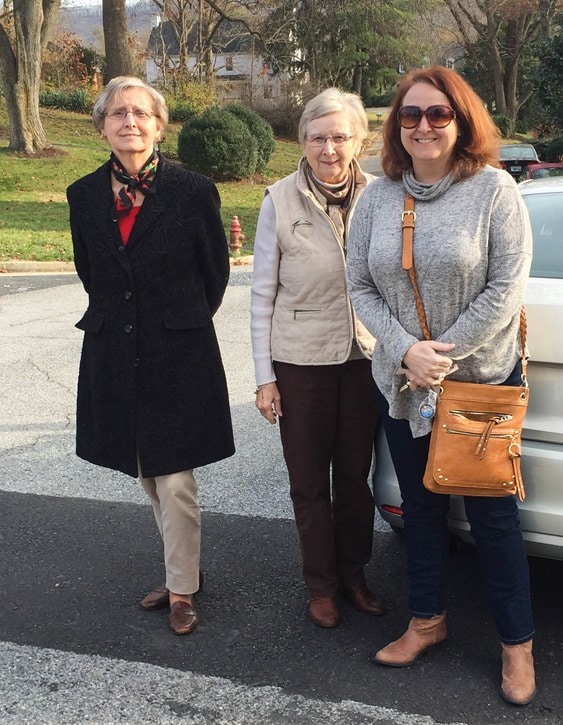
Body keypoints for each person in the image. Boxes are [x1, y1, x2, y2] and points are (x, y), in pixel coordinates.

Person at [346, 66, 535, 705]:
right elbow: (361, 286)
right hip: (401, 384)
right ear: (396, 124)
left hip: (475, 387)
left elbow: (506, 288)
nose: (423, 126)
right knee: (422, 514)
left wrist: (440, 357)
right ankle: (426, 621)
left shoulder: (494, 192)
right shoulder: (377, 197)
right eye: (410, 114)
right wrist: (405, 353)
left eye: (438, 114)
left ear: (462, 120)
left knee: (493, 520)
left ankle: (517, 645)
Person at [67, 76, 235, 636]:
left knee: (175, 476)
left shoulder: (193, 190)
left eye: (141, 113)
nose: (130, 122)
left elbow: (215, 272)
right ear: (103, 127)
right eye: (118, 114)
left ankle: (183, 588)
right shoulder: (83, 195)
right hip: (115, 349)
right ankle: (181, 566)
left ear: (160, 125)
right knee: (144, 467)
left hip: (178, 350)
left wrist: (179, 320)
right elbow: (91, 270)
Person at [250, 88, 385, 629]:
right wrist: (265, 377)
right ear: (302, 140)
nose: (329, 148)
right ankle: (320, 585)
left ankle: (353, 575)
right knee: (308, 479)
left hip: (363, 358)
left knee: (354, 475)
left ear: (359, 140)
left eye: (340, 136)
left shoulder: (381, 195)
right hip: (300, 362)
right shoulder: (278, 200)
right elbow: (262, 293)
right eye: (317, 137)